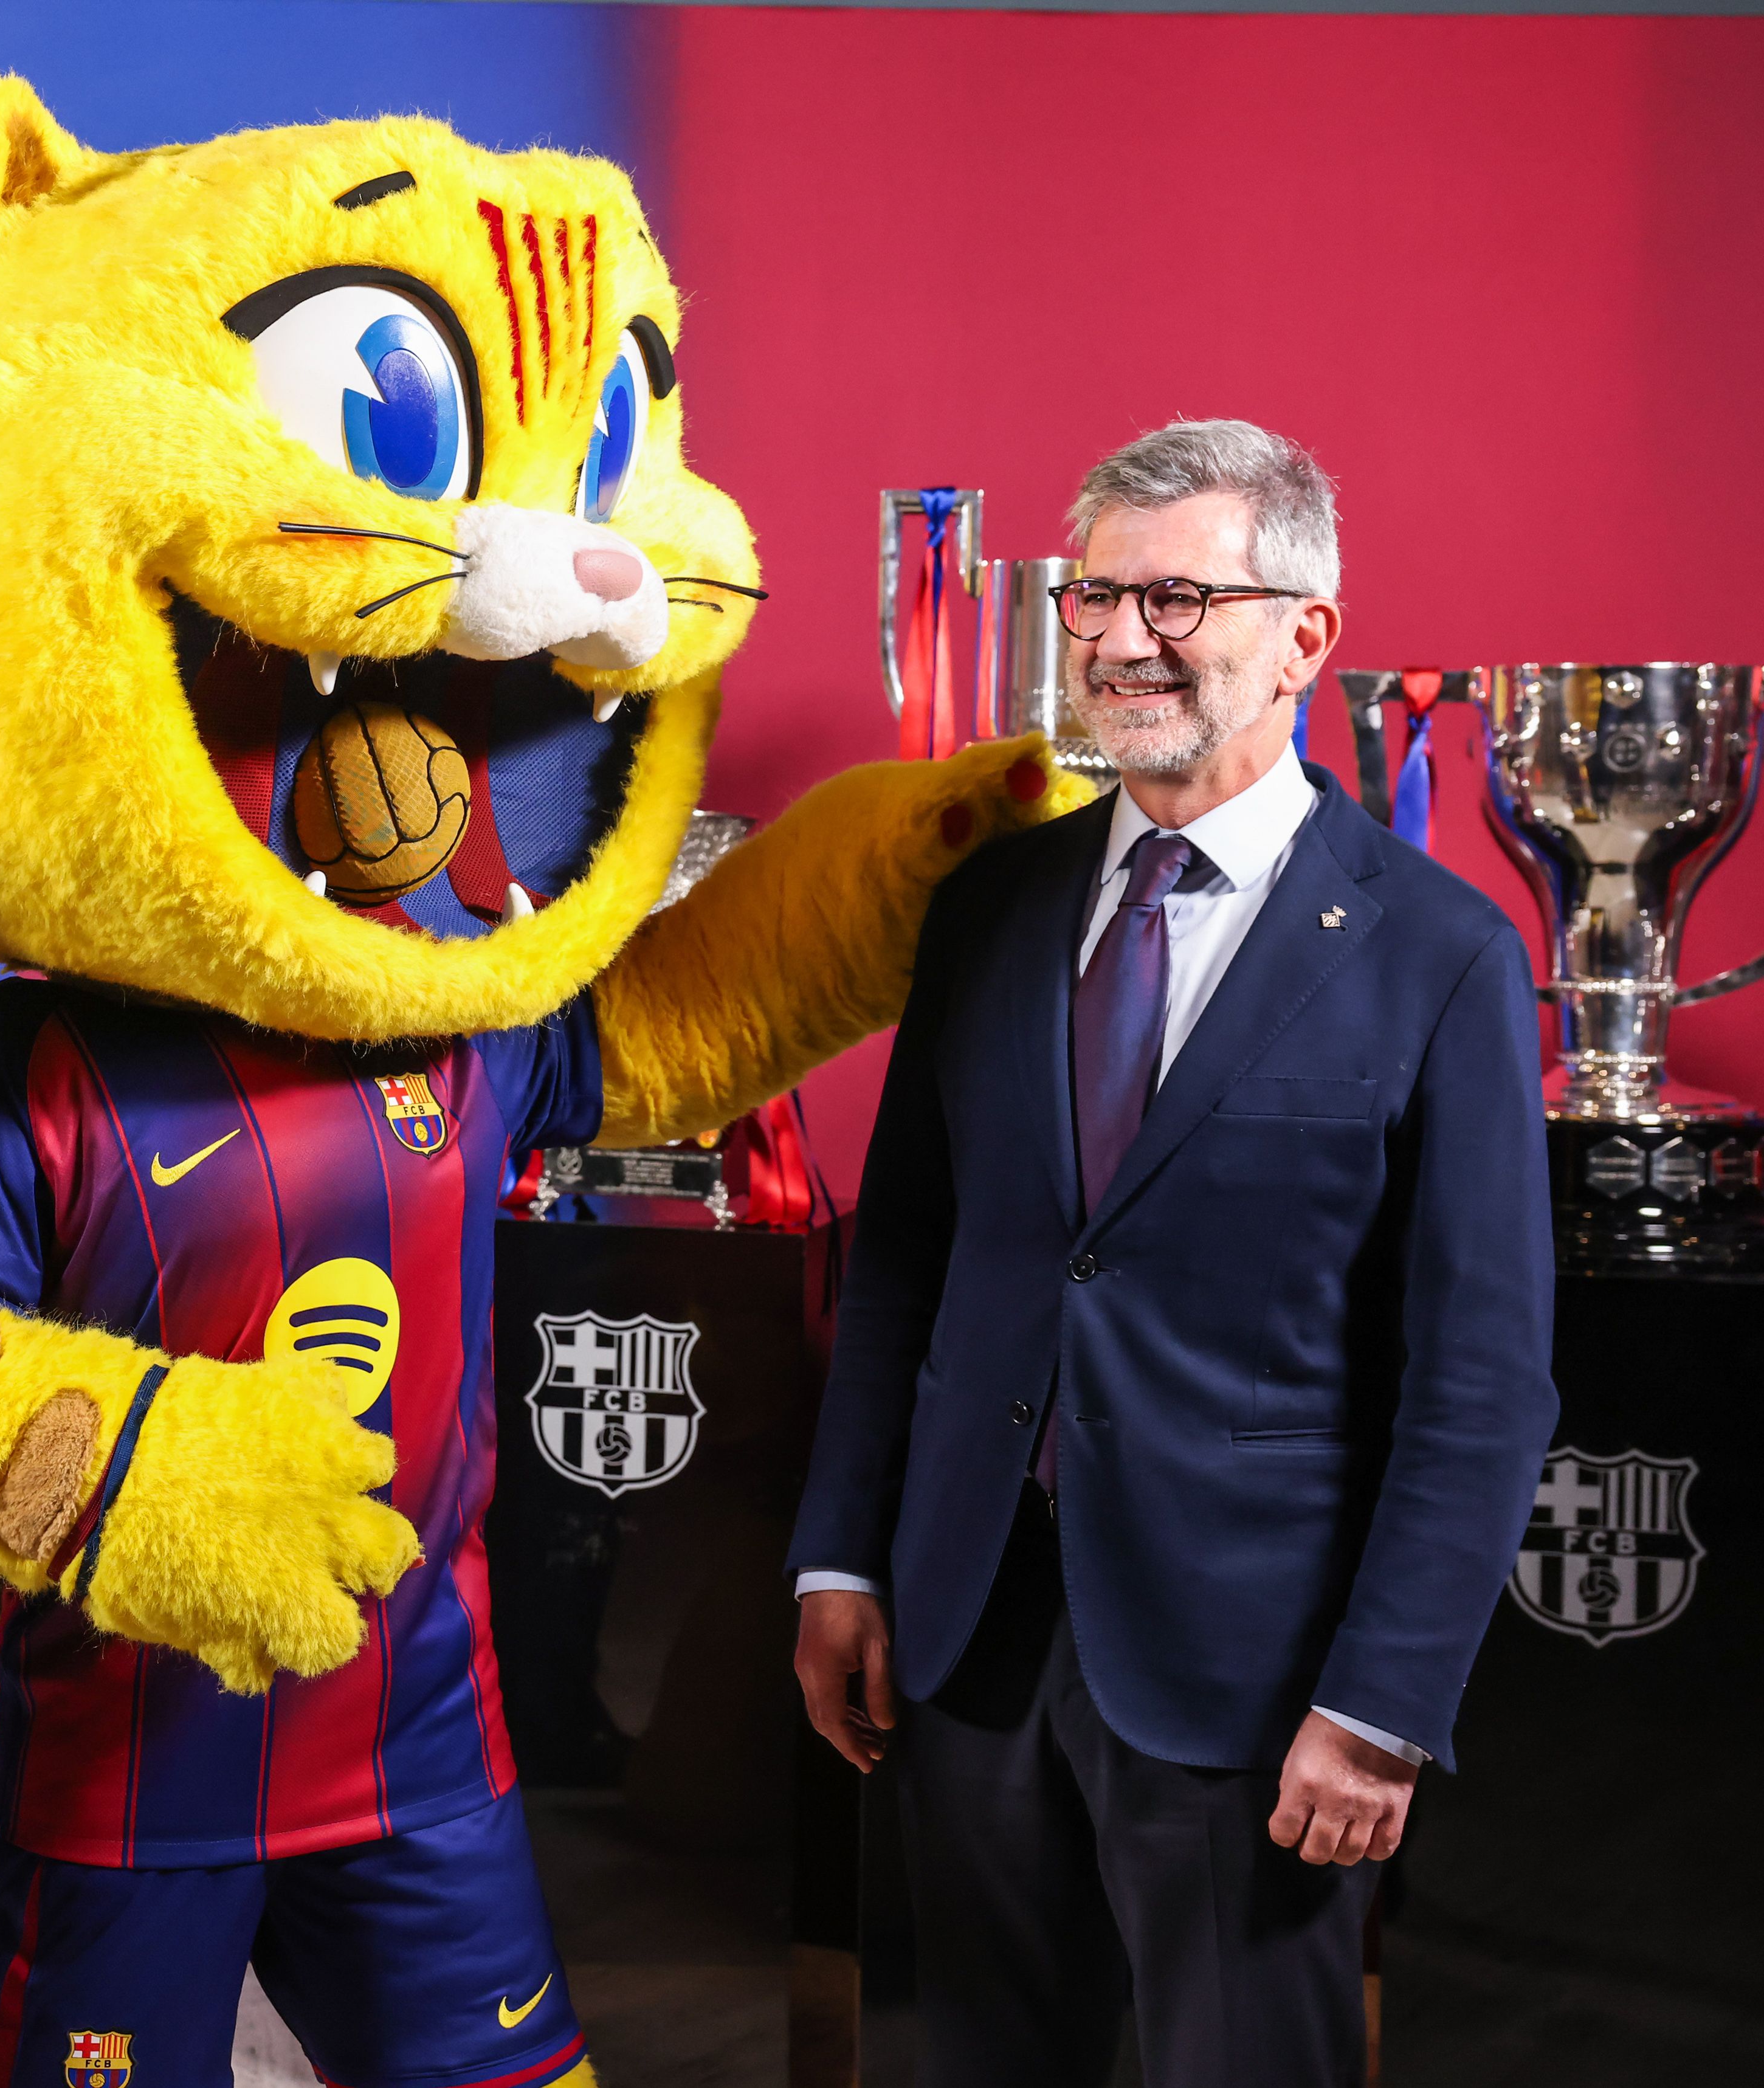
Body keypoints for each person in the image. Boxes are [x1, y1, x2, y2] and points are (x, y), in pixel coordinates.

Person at [787, 420, 1558, 2087]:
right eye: (1096, 596)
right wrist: (840, 1556)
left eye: (1179, 597)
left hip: (1258, 1673)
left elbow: (1483, 1381)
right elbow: (905, 1260)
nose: (1123, 639)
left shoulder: (1440, 954)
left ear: (1306, 635)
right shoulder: (991, 907)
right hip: (967, 1630)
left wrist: (1384, 1701)